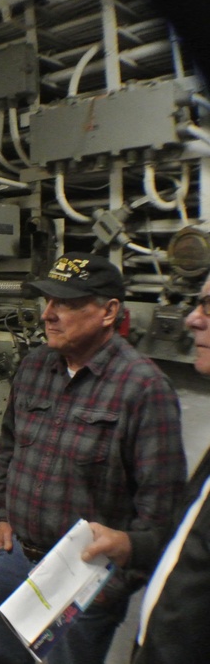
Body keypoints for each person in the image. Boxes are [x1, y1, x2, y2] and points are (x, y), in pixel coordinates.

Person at [0, 252, 187, 664]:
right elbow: (8, 445)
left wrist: (111, 586)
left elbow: (160, 512)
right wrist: (1, 513)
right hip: (15, 558)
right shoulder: (35, 366)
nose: (48, 314)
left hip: (80, 581)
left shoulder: (144, 388)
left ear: (108, 311)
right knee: (1, 659)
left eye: (66, 303)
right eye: (47, 301)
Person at [81, 272, 210, 663]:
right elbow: (189, 544)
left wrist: (118, 584)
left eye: (209, 305)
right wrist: (133, 546)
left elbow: (157, 496)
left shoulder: (146, 385)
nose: (192, 318)